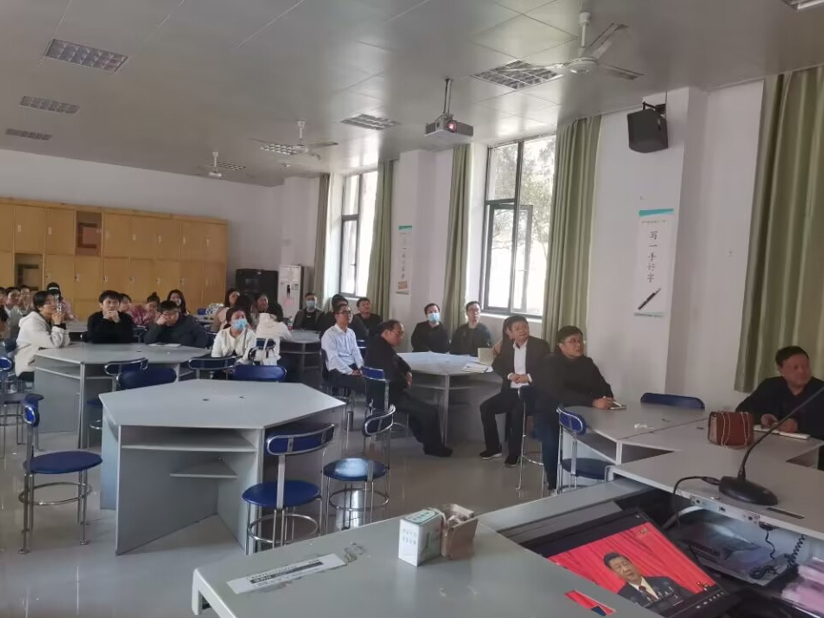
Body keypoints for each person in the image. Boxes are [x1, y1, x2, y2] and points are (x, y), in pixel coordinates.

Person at [533, 326, 614, 488]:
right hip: (549, 413)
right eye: (573, 341)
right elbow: (558, 392)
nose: (578, 345)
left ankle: (590, 482)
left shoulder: (587, 363)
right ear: (561, 345)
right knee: (552, 443)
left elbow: (602, 385)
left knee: (598, 439)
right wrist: (592, 402)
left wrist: (607, 397)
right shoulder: (550, 362)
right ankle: (554, 484)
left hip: (580, 412)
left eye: (580, 341)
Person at [366, 320, 452, 457]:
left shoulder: (379, 344)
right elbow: (392, 375)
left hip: (381, 393)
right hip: (387, 396)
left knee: (417, 409)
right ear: (386, 333)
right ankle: (433, 448)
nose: (401, 337)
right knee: (431, 412)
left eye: (402, 334)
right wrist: (405, 383)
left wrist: (407, 371)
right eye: (398, 334)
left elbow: (400, 362)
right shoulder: (381, 350)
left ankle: (426, 440)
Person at [479, 315, 551, 466]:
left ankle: (514, 453)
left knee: (518, 412)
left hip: (531, 393)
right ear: (509, 332)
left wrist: (528, 377)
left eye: (525, 327)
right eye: (517, 328)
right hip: (511, 392)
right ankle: (493, 448)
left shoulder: (540, 345)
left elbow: (547, 369)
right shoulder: (506, 346)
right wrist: (509, 375)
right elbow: (496, 364)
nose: (522, 330)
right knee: (485, 407)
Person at [737, 346, 824, 463]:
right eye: (795, 367)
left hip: (814, 456)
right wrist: (761, 418)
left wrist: (798, 426)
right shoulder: (770, 386)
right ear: (781, 370)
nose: (802, 371)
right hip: (770, 450)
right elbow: (741, 411)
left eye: (806, 366)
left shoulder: (820, 390)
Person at [15, 290, 70, 381]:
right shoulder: (32, 323)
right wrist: (57, 325)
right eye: (48, 302)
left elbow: (64, 343)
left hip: (43, 362)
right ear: (39, 307)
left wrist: (61, 324)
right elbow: (54, 343)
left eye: (54, 301)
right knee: (65, 375)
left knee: (69, 370)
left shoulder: (49, 319)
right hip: (29, 367)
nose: (54, 304)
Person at [603, 553, 691, 608]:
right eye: (618, 567)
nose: (626, 569)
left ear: (633, 564)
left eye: (625, 564)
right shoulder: (623, 599)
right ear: (615, 573)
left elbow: (693, 600)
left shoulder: (664, 581)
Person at [320, 303, 364, 393]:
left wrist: (361, 367)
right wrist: (350, 372)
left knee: (371, 379)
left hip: (351, 366)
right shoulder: (329, 334)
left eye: (350, 312)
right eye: (345, 312)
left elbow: (356, 351)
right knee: (364, 383)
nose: (349, 315)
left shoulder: (351, 333)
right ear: (336, 316)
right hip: (337, 371)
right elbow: (333, 359)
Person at [255, 303, 297, 378]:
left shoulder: (259, 322)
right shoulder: (280, 325)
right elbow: (290, 339)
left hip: (256, 359)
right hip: (273, 361)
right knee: (293, 363)